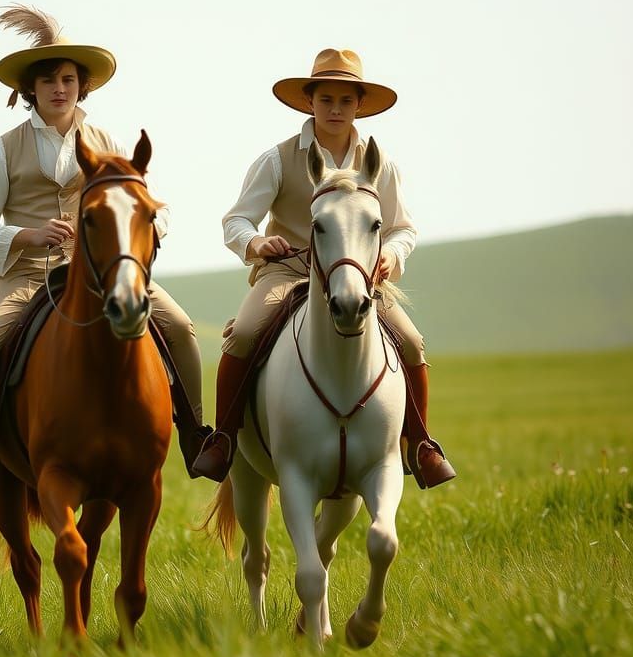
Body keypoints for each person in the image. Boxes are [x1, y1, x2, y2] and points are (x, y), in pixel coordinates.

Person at [0, 5, 211, 500]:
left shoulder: (107, 141)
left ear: (81, 85)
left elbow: (150, 205)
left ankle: (196, 434)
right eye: (48, 80)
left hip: (101, 271)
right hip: (24, 274)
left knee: (179, 326)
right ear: (31, 89)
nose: (59, 88)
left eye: (68, 79)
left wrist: (142, 229)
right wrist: (27, 234)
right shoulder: (1, 151)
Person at [191, 48, 456, 489]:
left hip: (357, 276)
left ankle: (420, 445)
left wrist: (392, 254)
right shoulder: (277, 159)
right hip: (288, 271)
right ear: (309, 101)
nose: (336, 109)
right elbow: (236, 220)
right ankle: (224, 439)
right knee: (244, 334)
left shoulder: (380, 165)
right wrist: (256, 242)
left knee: (411, 342)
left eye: (346, 100)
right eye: (326, 99)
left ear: (359, 105)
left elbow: (402, 228)